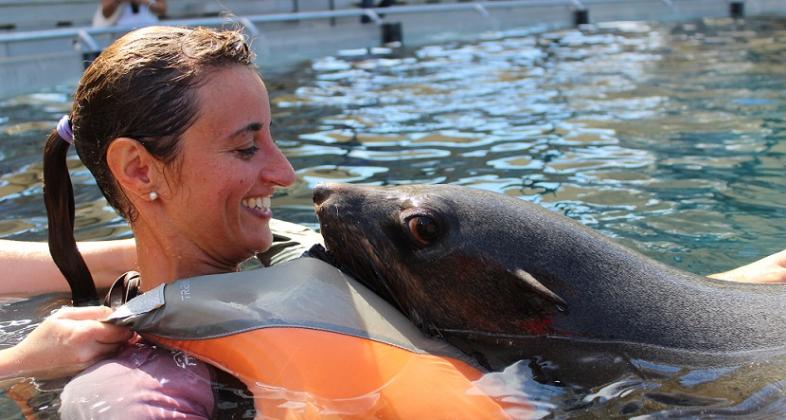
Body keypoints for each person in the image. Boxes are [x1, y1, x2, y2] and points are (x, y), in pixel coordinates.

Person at [38, 25, 295, 418]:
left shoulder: (301, 275)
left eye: (272, 139)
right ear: (139, 169)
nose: (285, 173)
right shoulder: (134, 398)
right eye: (246, 148)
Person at [93, 0, 167, 28]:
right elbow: (105, 14)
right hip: (122, 34)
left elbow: (162, 9)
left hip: (149, 29)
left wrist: (145, 2)